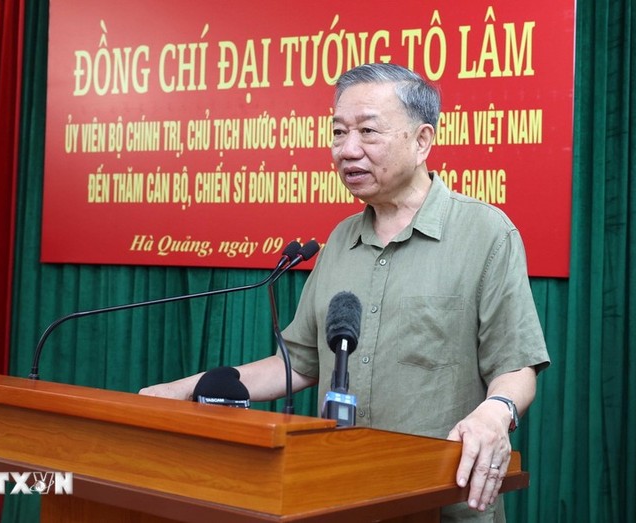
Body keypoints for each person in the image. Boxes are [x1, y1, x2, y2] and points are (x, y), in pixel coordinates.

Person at [141, 63, 550, 522]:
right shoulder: (339, 241)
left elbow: (516, 365)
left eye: (368, 132)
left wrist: (496, 413)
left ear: (422, 142)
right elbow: (296, 363)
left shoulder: (484, 233)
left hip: (438, 502)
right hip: (338, 498)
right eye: (338, 132)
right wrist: (183, 390)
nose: (347, 150)